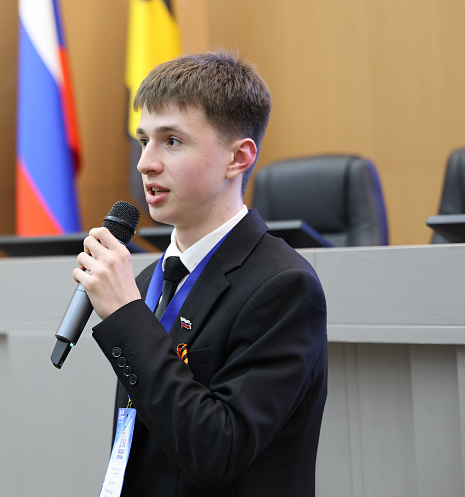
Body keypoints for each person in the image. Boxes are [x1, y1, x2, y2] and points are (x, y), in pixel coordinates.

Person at [73, 52, 328, 496]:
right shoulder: (146, 280)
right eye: (143, 140)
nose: (145, 163)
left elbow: (218, 452)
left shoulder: (284, 285)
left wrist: (128, 318)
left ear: (238, 158)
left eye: (171, 141)